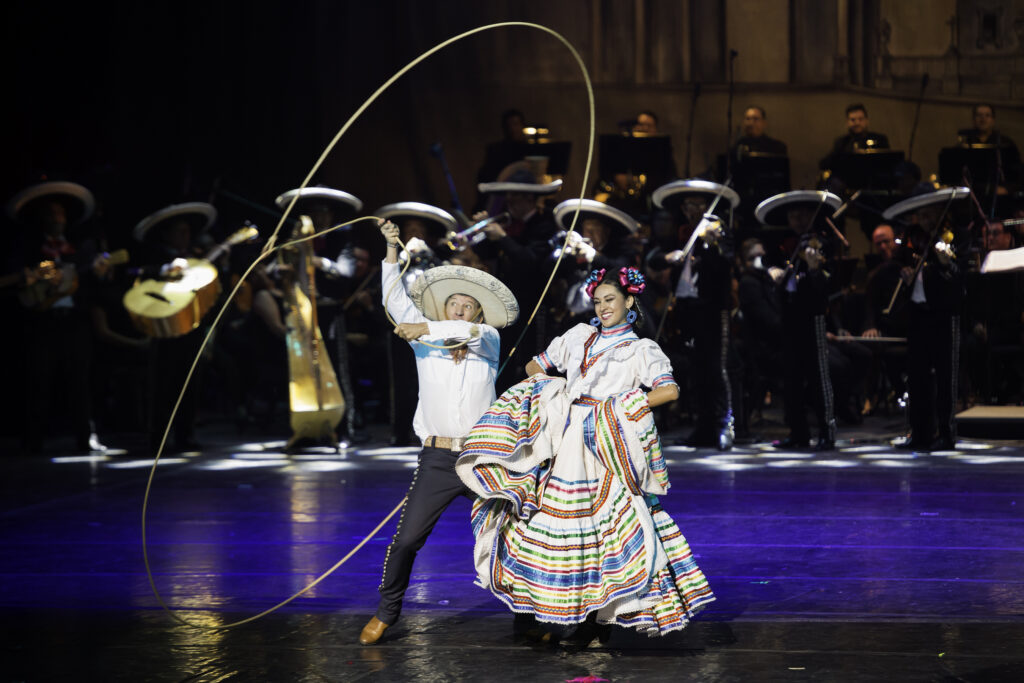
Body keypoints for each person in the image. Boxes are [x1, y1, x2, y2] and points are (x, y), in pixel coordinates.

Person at [456, 266, 714, 647]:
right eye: (598, 300)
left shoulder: (641, 349)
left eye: (611, 300)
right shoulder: (578, 336)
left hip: (604, 446)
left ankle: (597, 624)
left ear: (629, 302)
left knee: (603, 534)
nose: (603, 306)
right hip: (564, 442)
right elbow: (534, 367)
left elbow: (668, 390)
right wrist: (555, 387)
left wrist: (617, 408)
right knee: (557, 529)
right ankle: (557, 615)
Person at [359, 219, 520, 646]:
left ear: (479, 313)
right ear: (443, 308)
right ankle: (386, 612)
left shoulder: (486, 339)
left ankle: (530, 615)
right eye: (453, 304)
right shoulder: (424, 342)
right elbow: (396, 305)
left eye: (468, 306)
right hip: (437, 459)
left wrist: (425, 328)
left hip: (484, 457)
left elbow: (465, 332)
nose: (460, 310)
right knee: (408, 538)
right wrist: (392, 253)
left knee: (512, 534)